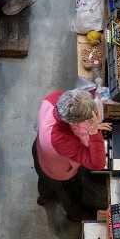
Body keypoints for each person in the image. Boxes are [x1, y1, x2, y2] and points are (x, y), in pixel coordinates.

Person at [34, 89, 109, 222]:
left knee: (43, 179)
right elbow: (97, 163)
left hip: (39, 149)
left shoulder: (55, 97)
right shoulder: (60, 139)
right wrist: (94, 131)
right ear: (74, 123)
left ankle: (44, 196)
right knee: (69, 196)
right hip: (59, 172)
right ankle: (74, 216)